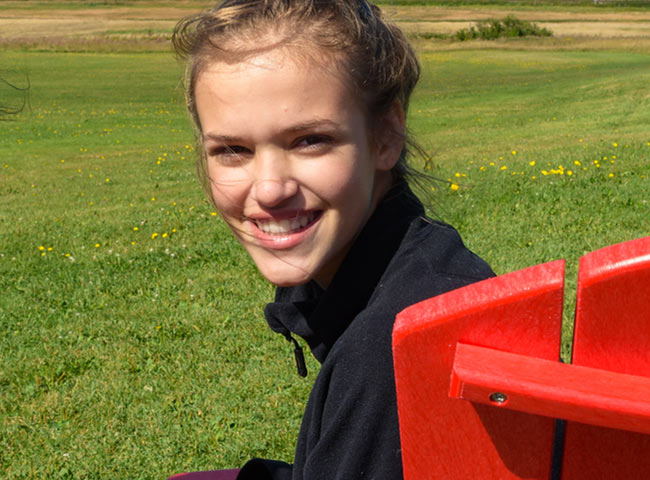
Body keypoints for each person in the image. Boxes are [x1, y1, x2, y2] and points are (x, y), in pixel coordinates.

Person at [174, 0, 494, 478]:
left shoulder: (393, 350)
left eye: (309, 141)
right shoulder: (416, 272)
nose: (269, 188)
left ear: (386, 136)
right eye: (232, 150)